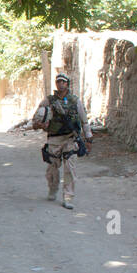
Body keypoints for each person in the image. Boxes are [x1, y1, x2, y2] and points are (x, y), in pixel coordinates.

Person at [31, 73, 91, 209]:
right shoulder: (49, 101)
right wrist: (40, 125)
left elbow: (84, 120)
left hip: (70, 138)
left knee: (70, 168)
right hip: (54, 139)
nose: (60, 84)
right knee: (52, 167)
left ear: (67, 84)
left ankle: (68, 197)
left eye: (63, 82)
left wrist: (89, 139)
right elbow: (36, 119)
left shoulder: (75, 101)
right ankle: (53, 189)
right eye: (58, 82)